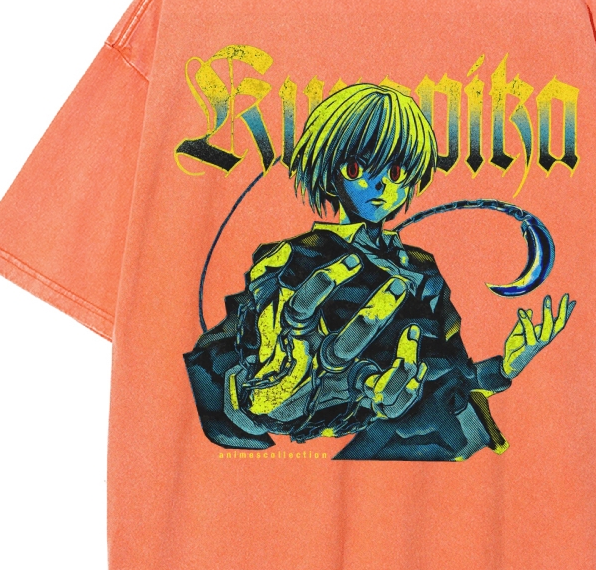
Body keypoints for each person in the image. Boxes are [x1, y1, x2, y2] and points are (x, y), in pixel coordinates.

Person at [184, 83, 574, 461]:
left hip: (429, 450)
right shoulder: (294, 257)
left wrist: (506, 366)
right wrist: (267, 397)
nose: (381, 185)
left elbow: (452, 373)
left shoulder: (421, 270)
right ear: (330, 172)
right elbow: (227, 362)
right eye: (357, 167)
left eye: (397, 172)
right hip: (341, 453)